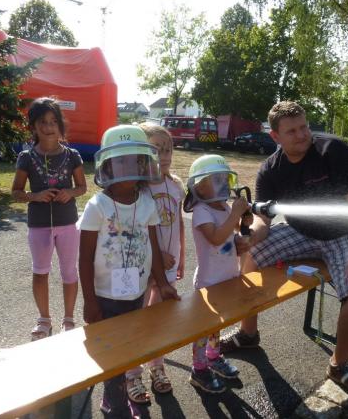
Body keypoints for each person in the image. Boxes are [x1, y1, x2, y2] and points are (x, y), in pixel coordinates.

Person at [219, 101, 348, 400]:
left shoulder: (333, 150)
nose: (301, 135)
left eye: (304, 127)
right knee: (249, 256)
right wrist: (251, 238)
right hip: (301, 232)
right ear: (275, 137)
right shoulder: (270, 169)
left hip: (346, 233)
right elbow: (262, 219)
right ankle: (248, 334)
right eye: (292, 131)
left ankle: (340, 364)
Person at [78, 125, 180, 417]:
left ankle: (122, 394)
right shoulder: (97, 207)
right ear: (107, 166)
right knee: (111, 354)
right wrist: (90, 301)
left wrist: (163, 284)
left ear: (143, 163)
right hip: (105, 297)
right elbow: (84, 259)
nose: (129, 168)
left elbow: (154, 247)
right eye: (121, 161)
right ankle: (114, 404)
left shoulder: (147, 202)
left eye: (135, 160)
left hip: (136, 293)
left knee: (130, 348)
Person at [11, 98, 87, 340]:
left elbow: (83, 186)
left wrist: (71, 192)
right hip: (39, 225)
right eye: (42, 122)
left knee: (69, 272)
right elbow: (16, 191)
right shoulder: (26, 157)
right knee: (40, 271)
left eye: (54, 121)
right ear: (33, 126)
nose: (49, 127)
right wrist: (36, 195)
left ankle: (68, 319)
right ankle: (44, 320)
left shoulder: (73, 155)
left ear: (60, 125)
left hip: (68, 224)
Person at [122, 124, 186, 403]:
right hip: (143, 265)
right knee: (136, 318)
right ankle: (131, 372)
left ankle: (157, 366)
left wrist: (182, 256)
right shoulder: (139, 190)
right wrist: (158, 256)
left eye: (168, 148)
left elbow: (180, 222)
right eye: (156, 149)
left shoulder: (175, 186)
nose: (164, 154)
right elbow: (134, 230)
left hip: (169, 264)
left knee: (158, 318)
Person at [183, 155, 251, 394]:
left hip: (227, 278)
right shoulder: (201, 211)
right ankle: (198, 369)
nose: (223, 183)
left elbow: (231, 236)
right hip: (209, 283)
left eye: (225, 178)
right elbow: (215, 238)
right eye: (216, 179)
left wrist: (241, 235)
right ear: (200, 186)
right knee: (203, 327)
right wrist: (235, 214)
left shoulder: (224, 207)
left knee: (217, 324)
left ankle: (213, 356)